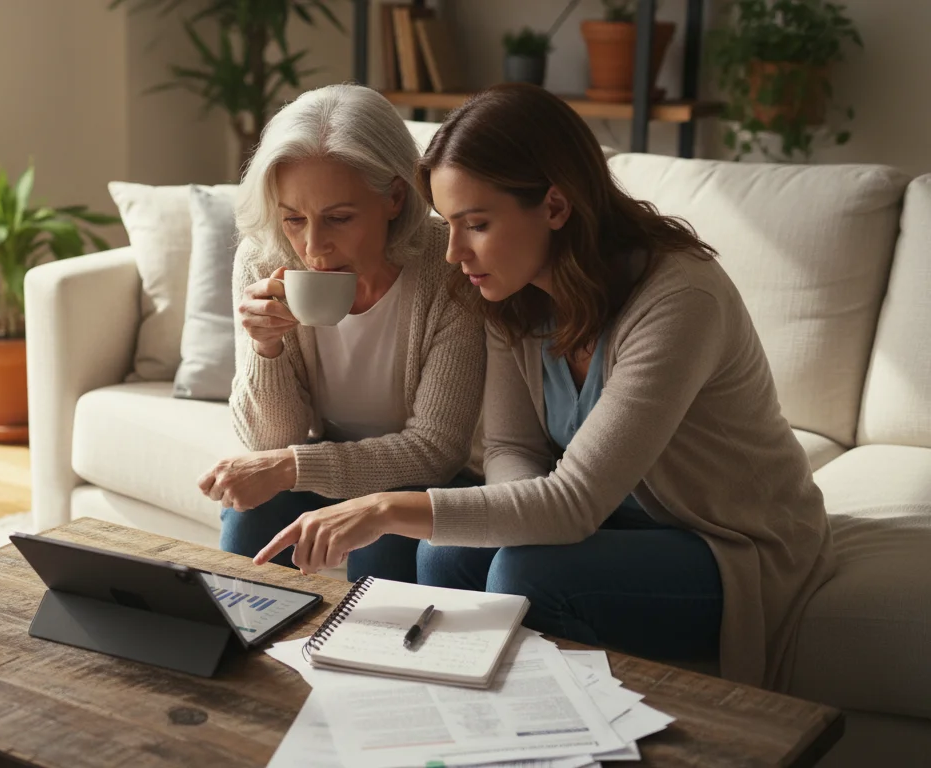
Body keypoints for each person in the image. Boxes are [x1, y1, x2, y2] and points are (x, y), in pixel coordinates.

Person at [251, 83, 834, 689]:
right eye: (449, 224)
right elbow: (513, 450)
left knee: (526, 576)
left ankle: (544, 738)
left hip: (725, 544)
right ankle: (430, 718)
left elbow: (575, 502)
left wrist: (384, 508)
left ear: (555, 207)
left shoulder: (678, 299)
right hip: (608, 524)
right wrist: (515, 522)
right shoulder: (514, 291)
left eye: (476, 223)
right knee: (448, 552)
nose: (453, 253)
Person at [199, 84, 486, 583]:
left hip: (433, 481)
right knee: (251, 516)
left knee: (385, 541)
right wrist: (266, 349)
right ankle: (245, 649)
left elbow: (436, 452)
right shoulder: (265, 260)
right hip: (331, 461)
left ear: (395, 197)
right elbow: (274, 440)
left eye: (339, 218)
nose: (313, 247)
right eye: (294, 219)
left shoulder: (447, 267)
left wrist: (291, 468)